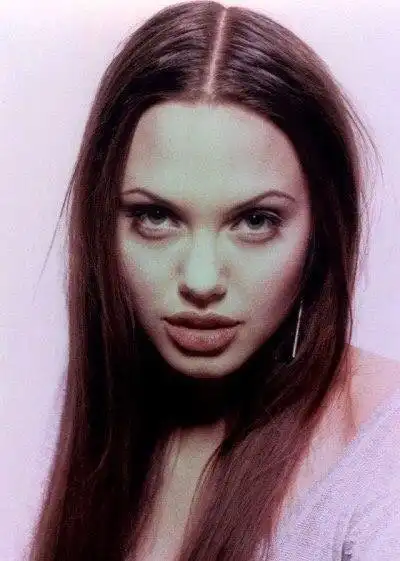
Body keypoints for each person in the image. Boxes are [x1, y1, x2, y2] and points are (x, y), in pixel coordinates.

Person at [25, 2, 400, 561]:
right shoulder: (99, 410)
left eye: (255, 221)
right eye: (156, 217)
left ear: (321, 229)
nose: (201, 281)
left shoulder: (383, 452)